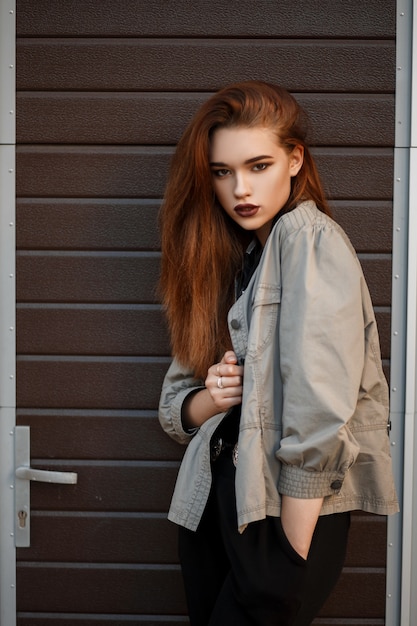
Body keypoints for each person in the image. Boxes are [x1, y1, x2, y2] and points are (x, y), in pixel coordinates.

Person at [158, 81, 399, 625]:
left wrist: (288, 556)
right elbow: (175, 408)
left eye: (259, 165)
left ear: (295, 160)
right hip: (210, 508)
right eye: (222, 172)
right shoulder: (228, 262)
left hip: (277, 520)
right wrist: (211, 398)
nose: (240, 188)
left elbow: (319, 415)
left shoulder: (309, 241)